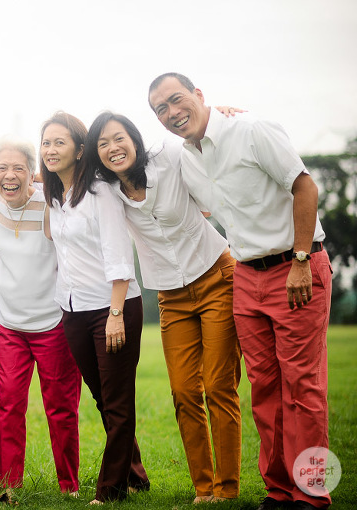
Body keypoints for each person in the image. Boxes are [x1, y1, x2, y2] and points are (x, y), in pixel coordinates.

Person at [149, 73, 332, 510]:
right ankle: (279, 492)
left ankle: (311, 494)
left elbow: (304, 186)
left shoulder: (251, 129)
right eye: (160, 109)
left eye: (178, 100)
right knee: (264, 388)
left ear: (199, 95)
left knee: (302, 389)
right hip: (245, 276)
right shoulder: (184, 157)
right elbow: (124, 156)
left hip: (295, 265)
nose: (172, 113)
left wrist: (303, 260)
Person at [86, 111, 242, 503]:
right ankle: (203, 488)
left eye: (118, 138)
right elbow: (62, 170)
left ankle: (226, 489)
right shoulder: (106, 190)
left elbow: (199, 140)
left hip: (216, 276)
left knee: (220, 385)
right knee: (184, 391)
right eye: (102, 143)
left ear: (135, 139)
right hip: (171, 295)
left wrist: (222, 117)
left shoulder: (169, 157)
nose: (112, 148)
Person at [41, 112, 149, 504]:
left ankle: (111, 489)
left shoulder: (101, 192)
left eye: (59, 143)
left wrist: (116, 315)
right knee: (103, 398)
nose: (51, 150)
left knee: (118, 401)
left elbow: (119, 255)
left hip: (112, 307)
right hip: (73, 308)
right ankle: (135, 473)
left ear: (80, 150)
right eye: (46, 143)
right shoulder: (56, 195)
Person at [0, 137, 81, 499]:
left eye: (18, 168)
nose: (9, 175)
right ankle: (8, 485)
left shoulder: (51, 203)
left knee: (61, 408)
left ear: (33, 173)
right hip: (8, 323)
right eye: (1, 168)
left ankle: (69, 485)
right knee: (9, 405)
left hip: (53, 322)